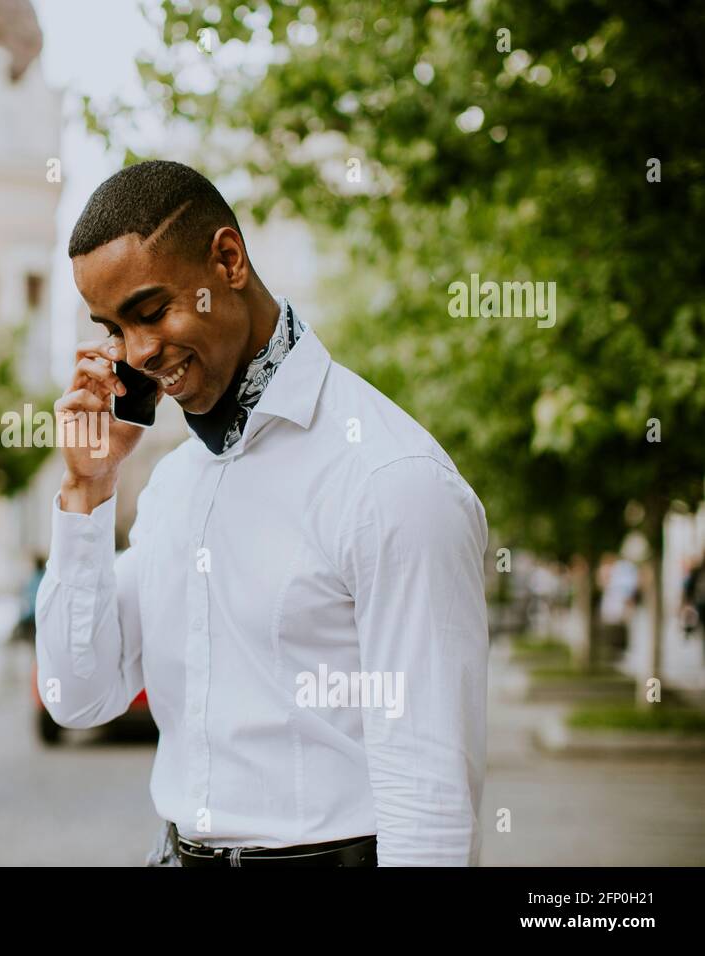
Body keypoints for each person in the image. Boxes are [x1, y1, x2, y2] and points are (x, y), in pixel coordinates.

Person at [37, 160, 489, 867]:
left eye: (151, 312)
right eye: (113, 329)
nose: (138, 353)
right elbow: (78, 697)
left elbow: (429, 794)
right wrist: (87, 492)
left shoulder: (391, 479)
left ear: (228, 259)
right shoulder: (174, 487)